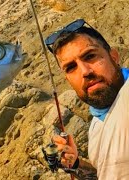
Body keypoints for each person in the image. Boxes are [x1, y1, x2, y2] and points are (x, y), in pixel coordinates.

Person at [44, 19, 129, 179]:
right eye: (71, 67)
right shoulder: (95, 127)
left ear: (114, 57)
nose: (84, 71)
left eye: (90, 56)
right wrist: (75, 164)